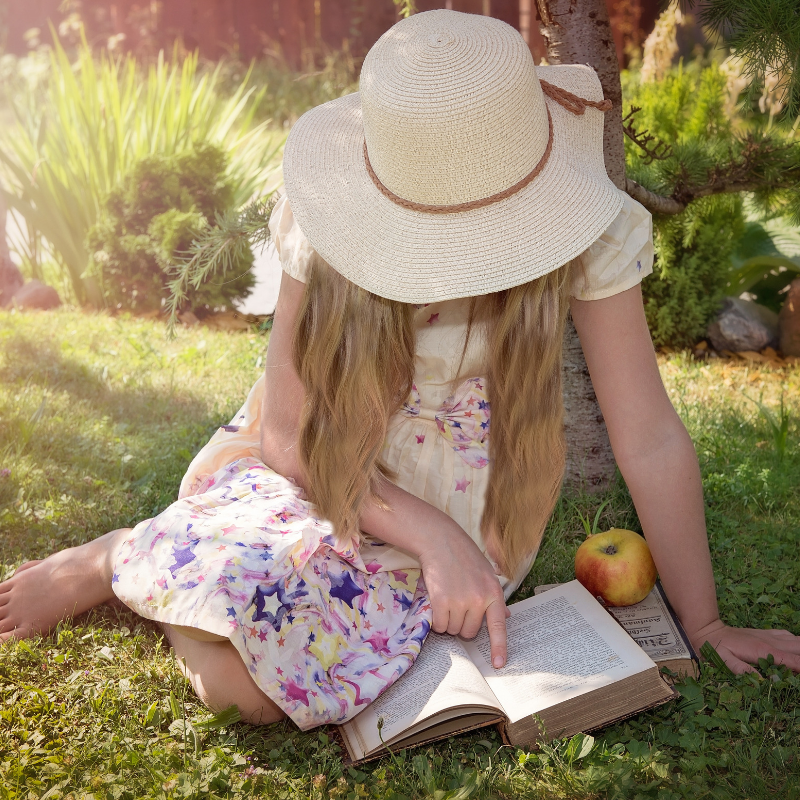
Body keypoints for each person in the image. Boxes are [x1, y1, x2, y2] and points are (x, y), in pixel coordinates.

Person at [1, 10, 798, 730]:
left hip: (471, 510)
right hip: (319, 473)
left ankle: (163, 569)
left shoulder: (587, 230)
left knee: (264, 683)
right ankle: (120, 555)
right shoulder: (322, 225)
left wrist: (706, 625)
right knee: (240, 673)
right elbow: (285, 432)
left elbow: (650, 436)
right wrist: (429, 533)